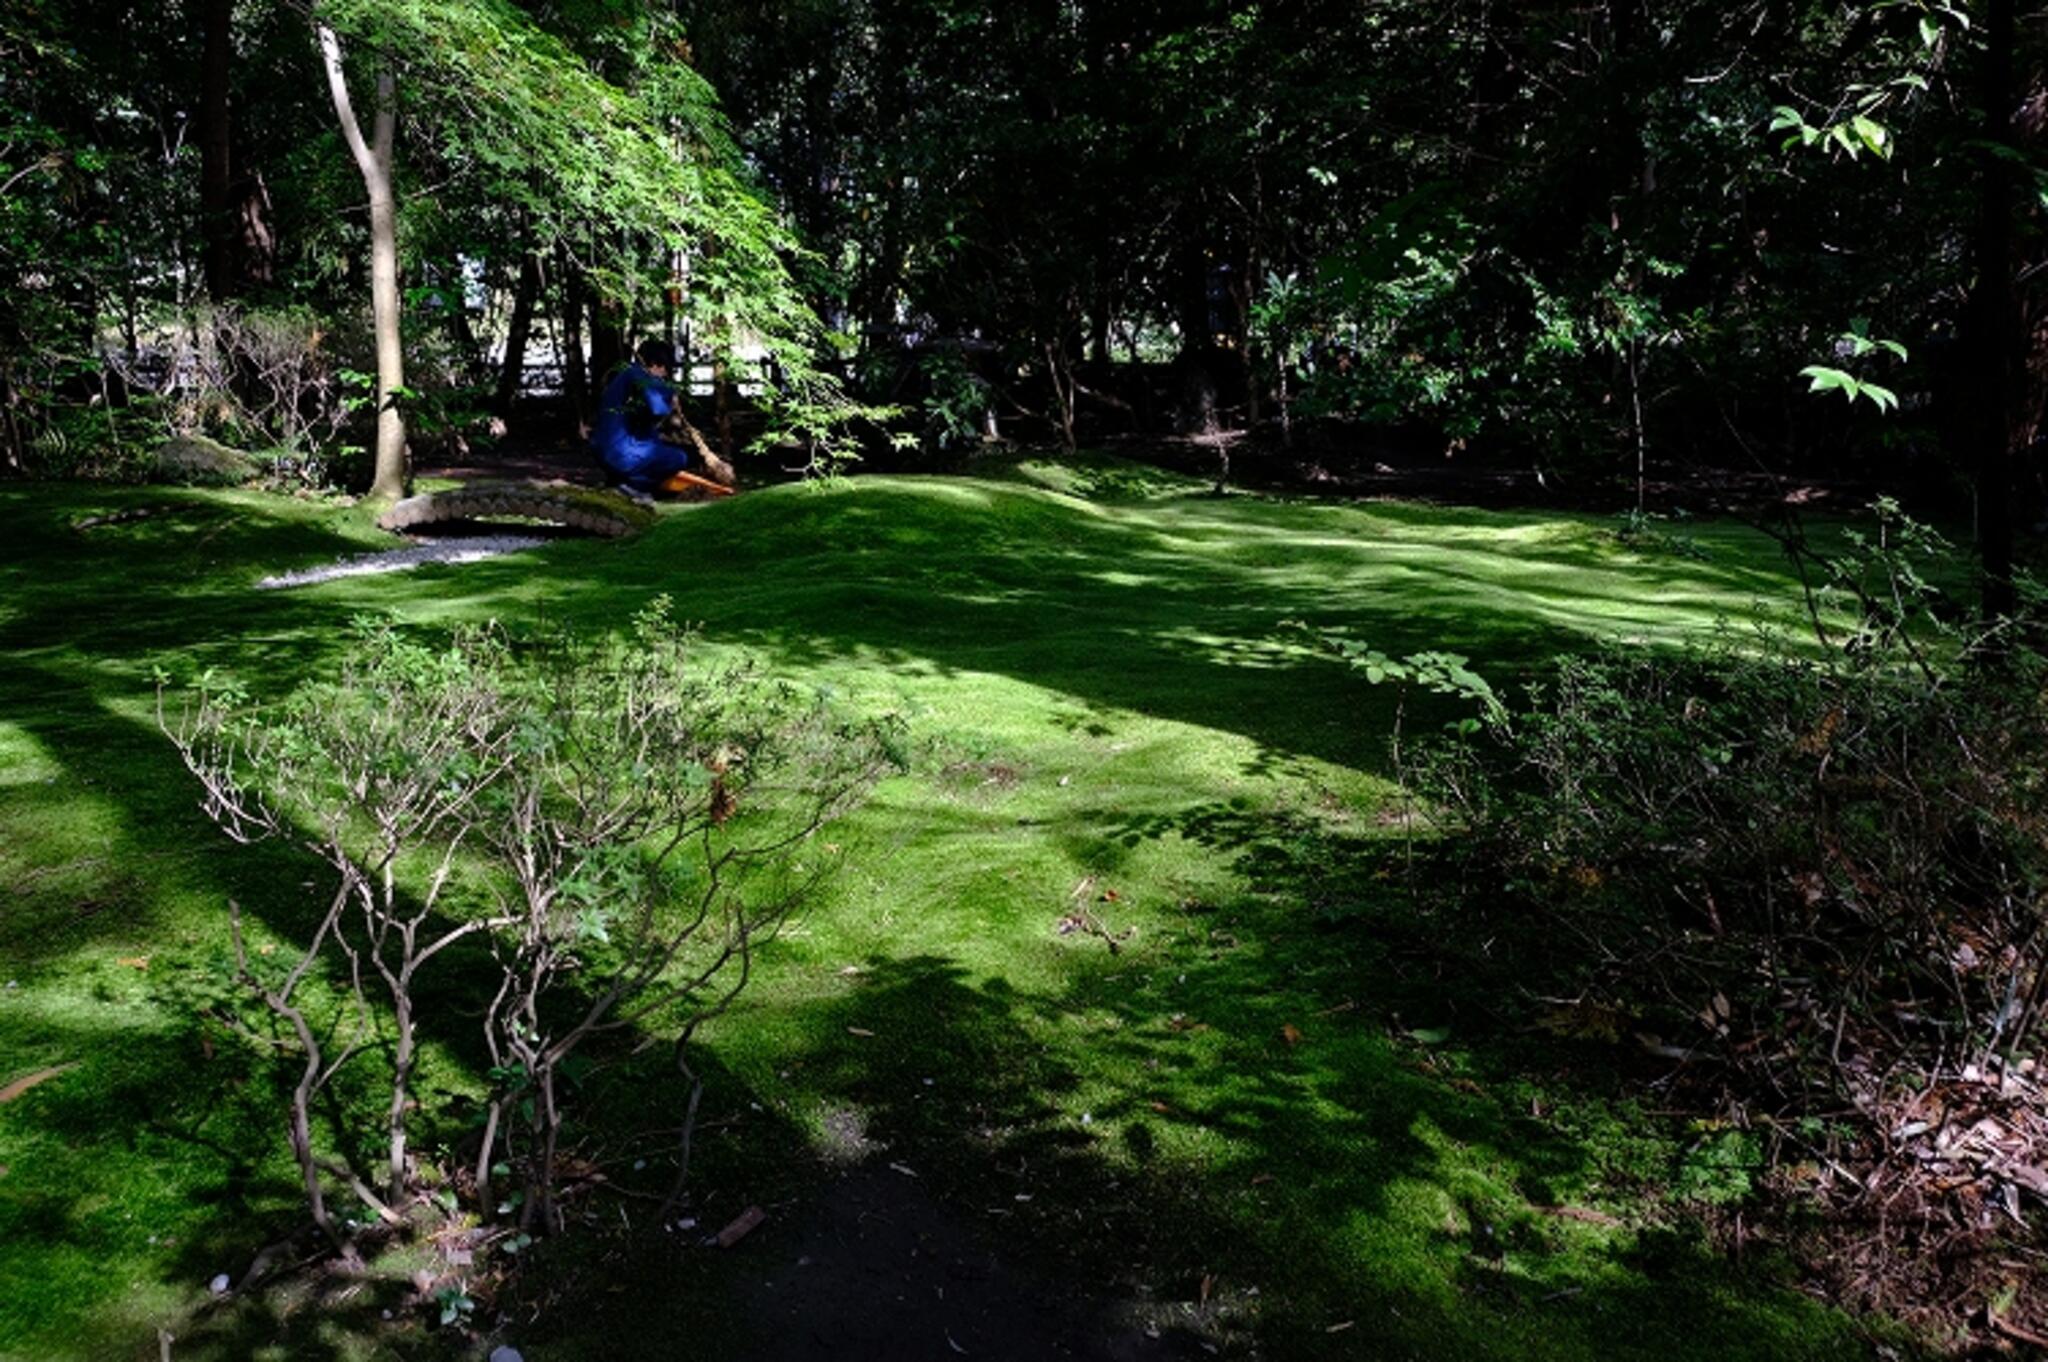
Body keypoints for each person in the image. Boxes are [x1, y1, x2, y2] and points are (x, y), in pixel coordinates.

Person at [591, 339, 690, 495]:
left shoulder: (624, 376)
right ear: (657, 364)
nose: (666, 375)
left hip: (602, 450)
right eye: (666, 369)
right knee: (679, 458)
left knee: (653, 441)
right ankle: (635, 487)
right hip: (620, 454)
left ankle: (620, 481)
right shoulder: (638, 374)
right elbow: (658, 408)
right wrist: (671, 398)